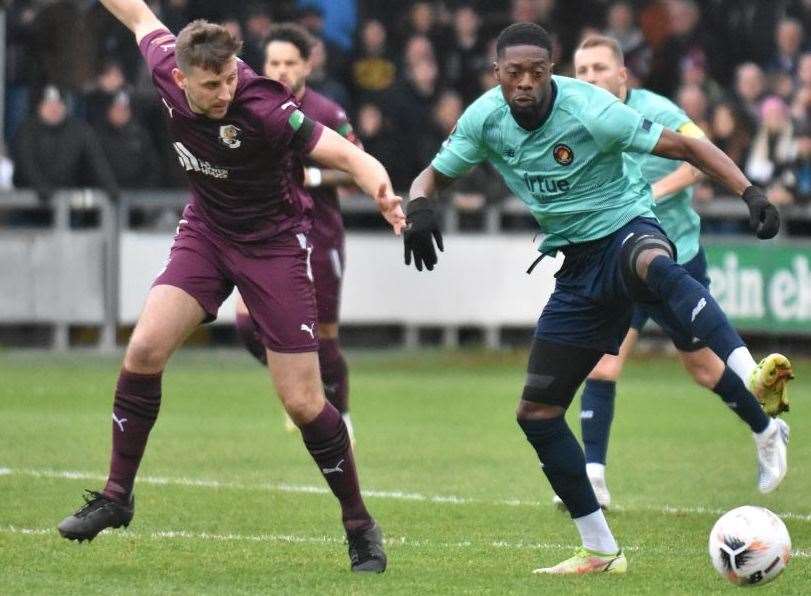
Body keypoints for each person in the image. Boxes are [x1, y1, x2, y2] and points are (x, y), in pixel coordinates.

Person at [402, 22, 791, 575]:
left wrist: (749, 192)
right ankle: (601, 550)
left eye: (538, 73)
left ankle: (752, 372)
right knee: (536, 413)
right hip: (577, 269)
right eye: (514, 74)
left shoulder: (592, 110)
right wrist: (418, 206)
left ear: (552, 70)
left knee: (655, 264)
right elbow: (430, 176)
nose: (526, 84)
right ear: (497, 74)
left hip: (627, 226)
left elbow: (686, 145)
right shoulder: (484, 118)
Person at [56, 0, 406, 574]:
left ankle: (359, 525)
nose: (223, 92)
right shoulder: (164, 61)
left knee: (302, 401)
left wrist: (385, 196)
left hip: (272, 245)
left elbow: (347, 154)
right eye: (211, 84)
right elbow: (140, 16)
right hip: (207, 232)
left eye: (228, 79)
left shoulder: (265, 106)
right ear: (179, 77)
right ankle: (117, 497)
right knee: (143, 350)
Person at [568, 35, 794, 509]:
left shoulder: (659, 111)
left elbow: (700, 154)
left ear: (623, 75)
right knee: (603, 362)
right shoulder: (574, 120)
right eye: (582, 70)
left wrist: (651, 196)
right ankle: (593, 478)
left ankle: (768, 428)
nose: (590, 78)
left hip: (675, 256)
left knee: (703, 368)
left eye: (599, 68)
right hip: (617, 257)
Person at [234, 23, 360, 443]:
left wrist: (310, 175)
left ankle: (339, 417)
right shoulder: (250, 107)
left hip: (320, 235)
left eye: (290, 62)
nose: (282, 70)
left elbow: (354, 169)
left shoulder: (327, 113)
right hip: (267, 236)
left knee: (323, 336)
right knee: (245, 323)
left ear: (308, 64)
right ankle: (299, 389)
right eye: (274, 62)